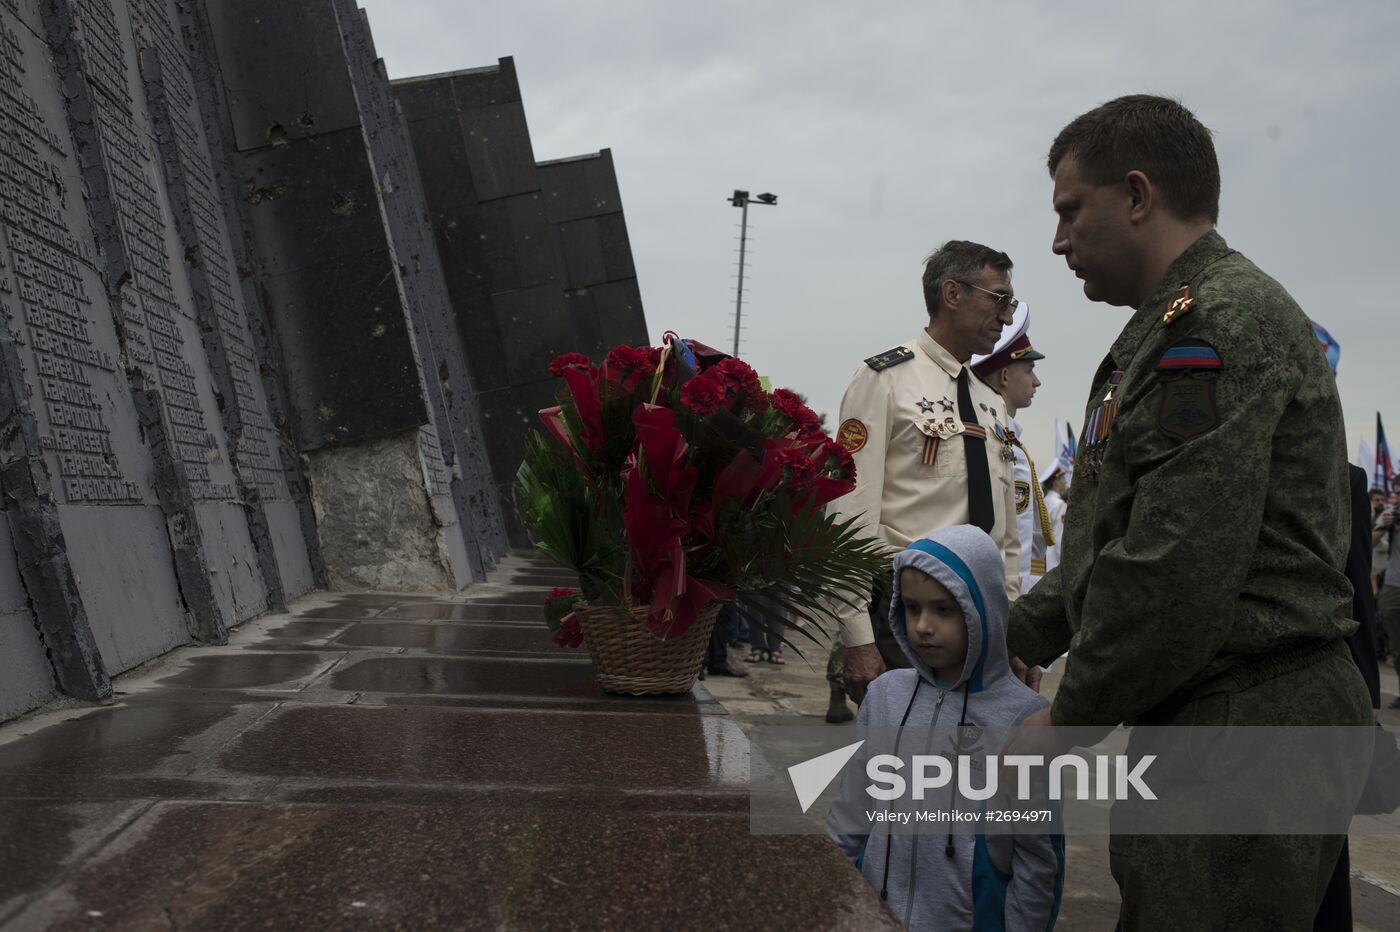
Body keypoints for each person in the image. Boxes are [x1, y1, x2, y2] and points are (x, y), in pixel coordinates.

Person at [1006, 94, 1373, 929]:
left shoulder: (1214, 322)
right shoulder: (1165, 327)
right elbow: (1111, 543)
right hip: (1217, 717)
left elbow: (1174, 567)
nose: (1058, 240)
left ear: (1137, 196)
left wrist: (1065, 723)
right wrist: (1002, 634)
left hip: (1247, 721)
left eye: (1070, 211)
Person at [826, 525, 1063, 930]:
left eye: (944, 609)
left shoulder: (1024, 719)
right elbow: (850, 815)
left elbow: (1038, 862)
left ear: (983, 609)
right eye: (912, 608)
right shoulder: (884, 698)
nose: (922, 626)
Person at [830, 240, 1022, 705]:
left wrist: (1014, 625)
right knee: (907, 760)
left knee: (973, 766)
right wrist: (858, 635)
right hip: (908, 610)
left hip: (983, 616)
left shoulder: (990, 402)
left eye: (1010, 303)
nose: (1007, 316)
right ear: (952, 294)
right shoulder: (884, 379)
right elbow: (848, 510)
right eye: (999, 299)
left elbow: (1007, 532)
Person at [970, 304, 1054, 594]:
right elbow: (1015, 535)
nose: (1036, 381)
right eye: (1029, 369)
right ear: (1004, 376)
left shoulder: (1009, 440)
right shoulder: (1001, 443)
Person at [1374, 497, 1400, 706]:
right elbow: (1368, 542)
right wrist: (1384, 525)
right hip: (1392, 585)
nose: (1398, 498)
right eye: (1397, 493)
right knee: (1396, 644)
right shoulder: (1389, 515)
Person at [1039, 464, 1068, 572]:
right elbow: (1059, 538)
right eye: (1063, 478)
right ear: (1056, 482)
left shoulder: (1044, 501)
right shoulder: (1060, 504)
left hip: (1042, 558)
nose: (1065, 482)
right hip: (1054, 561)